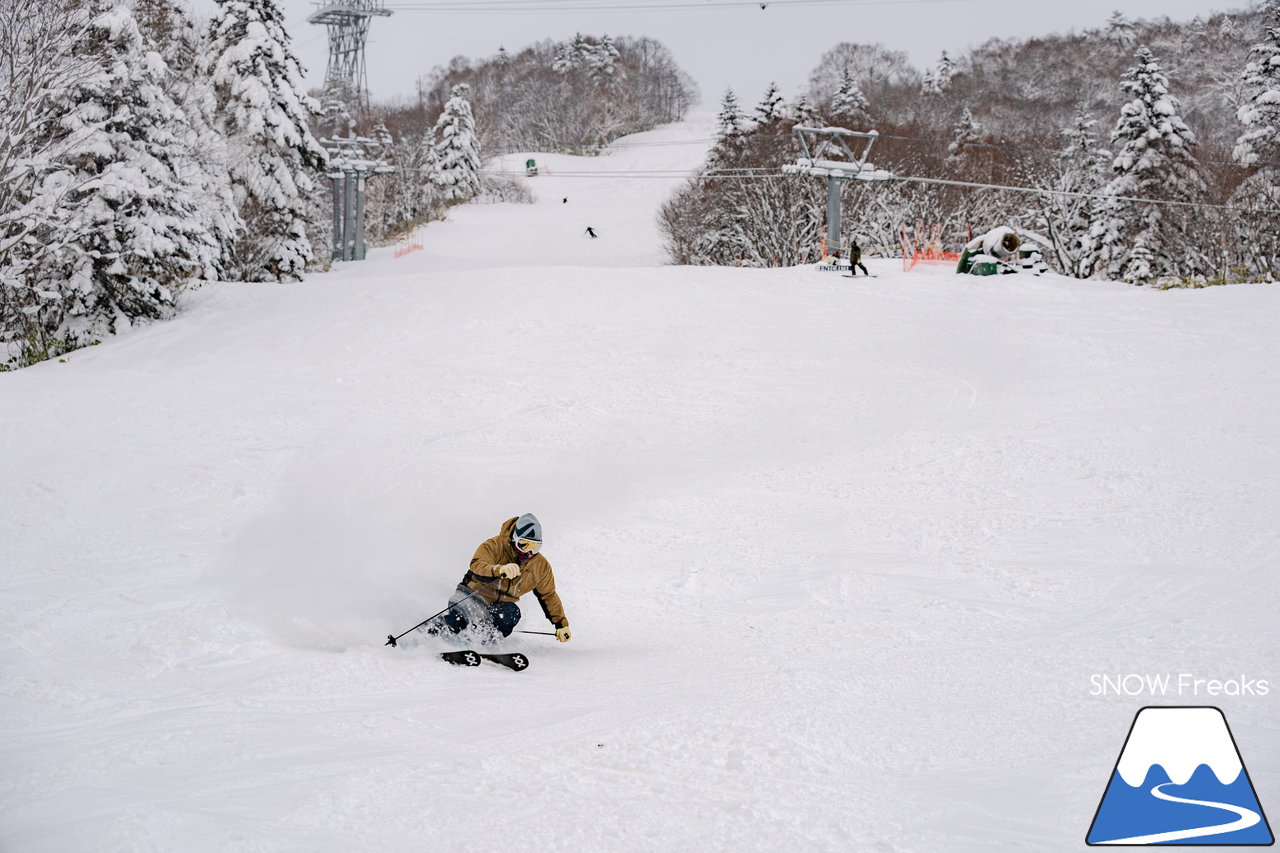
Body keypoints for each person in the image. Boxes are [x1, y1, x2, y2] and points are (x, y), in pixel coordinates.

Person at [433, 514, 571, 644]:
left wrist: (561, 624)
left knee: (511, 613)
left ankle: (481, 642)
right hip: (473, 595)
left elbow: (548, 596)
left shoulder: (540, 566)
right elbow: (477, 564)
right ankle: (428, 634)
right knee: (460, 620)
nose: (529, 552)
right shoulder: (495, 546)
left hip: (499, 607)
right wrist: (499, 570)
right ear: (514, 539)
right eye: (524, 544)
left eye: (535, 547)